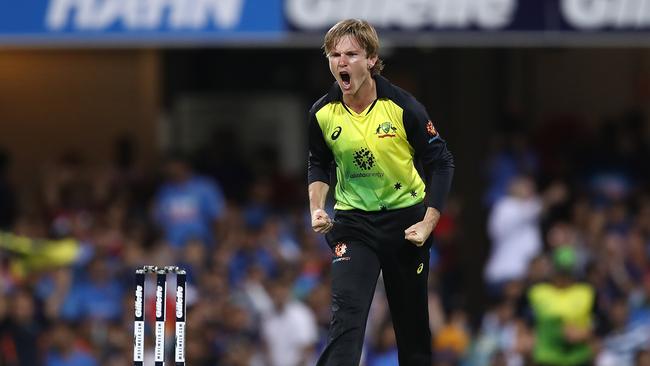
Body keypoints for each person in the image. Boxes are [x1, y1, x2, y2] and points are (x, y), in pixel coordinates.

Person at [307, 19, 454, 366]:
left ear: (371, 59)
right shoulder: (322, 113)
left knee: (412, 327)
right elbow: (318, 162)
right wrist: (317, 206)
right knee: (347, 317)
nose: (341, 62)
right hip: (354, 224)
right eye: (334, 54)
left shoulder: (403, 107)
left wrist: (428, 223)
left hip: (406, 225)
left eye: (351, 54)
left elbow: (442, 162)